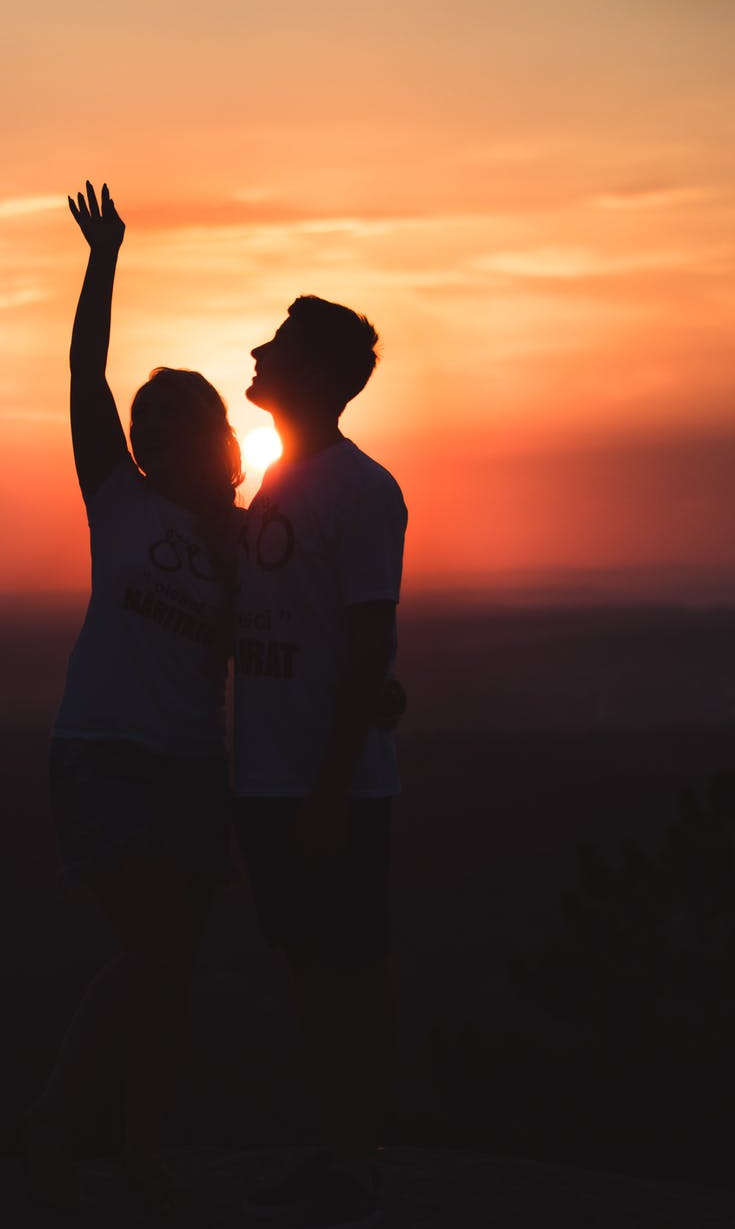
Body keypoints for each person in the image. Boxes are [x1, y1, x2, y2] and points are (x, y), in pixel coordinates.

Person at [23, 182, 245, 1212]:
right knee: (152, 948)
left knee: (174, 970)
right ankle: (57, 1119)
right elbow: (82, 373)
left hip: (196, 771)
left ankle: (138, 1148)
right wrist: (103, 257)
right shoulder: (114, 499)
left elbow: (291, 646)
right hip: (105, 756)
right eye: (146, 421)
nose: (154, 431)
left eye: (175, 419)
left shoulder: (245, 543)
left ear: (212, 435)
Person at [231, 295, 406, 1228]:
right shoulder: (277, 484)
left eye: (281, 346)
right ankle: (341, 1151)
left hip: (325, 783)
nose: (257, 350)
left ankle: (357, 1159)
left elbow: (368, 637)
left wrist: (333, 787)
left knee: (344, 970)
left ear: (323, 376)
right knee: (307, 967)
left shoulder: (361, 489)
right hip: (268, 776)